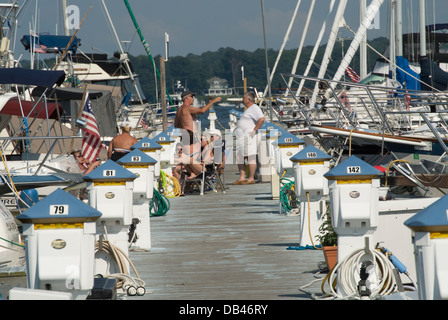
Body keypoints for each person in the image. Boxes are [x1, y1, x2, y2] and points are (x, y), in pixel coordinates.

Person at [174, 91, 222, 179]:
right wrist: (213, 101)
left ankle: (190, 178)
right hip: (192, 139)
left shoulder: (179, 110)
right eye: (192, 97)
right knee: (193, 159)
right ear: (187, 98)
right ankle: (196, 173)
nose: (193, 99)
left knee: (187, 159)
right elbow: (202, 111)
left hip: (185, 138)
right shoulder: (187, 108)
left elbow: (176, 125)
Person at [232, 91, 265, 185]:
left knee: (250, 157)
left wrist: (254, 130)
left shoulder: (255, 108)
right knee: (239, 157)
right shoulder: (249, 109)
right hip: (243, 137)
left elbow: (262, 119)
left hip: (249, 137)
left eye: (243, 98)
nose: (242, 100)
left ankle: (251, 178)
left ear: (249, 99)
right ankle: (242, 177)